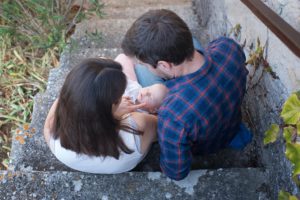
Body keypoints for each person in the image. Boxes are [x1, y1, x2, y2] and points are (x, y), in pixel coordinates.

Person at [121, 9, 252, 180]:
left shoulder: (172, 115)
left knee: (139, 72)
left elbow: (176, 172)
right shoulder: (228, 47)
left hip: (206, 143)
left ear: (165, 66)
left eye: (147, 64)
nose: (145, 66)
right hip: (230, 125)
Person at [43, 58, 157, 174]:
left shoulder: (51, 130)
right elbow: (163, 125)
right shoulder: (137, 125)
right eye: (119, 96)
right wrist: (121, 115)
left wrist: (113, 114)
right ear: (113, 104)